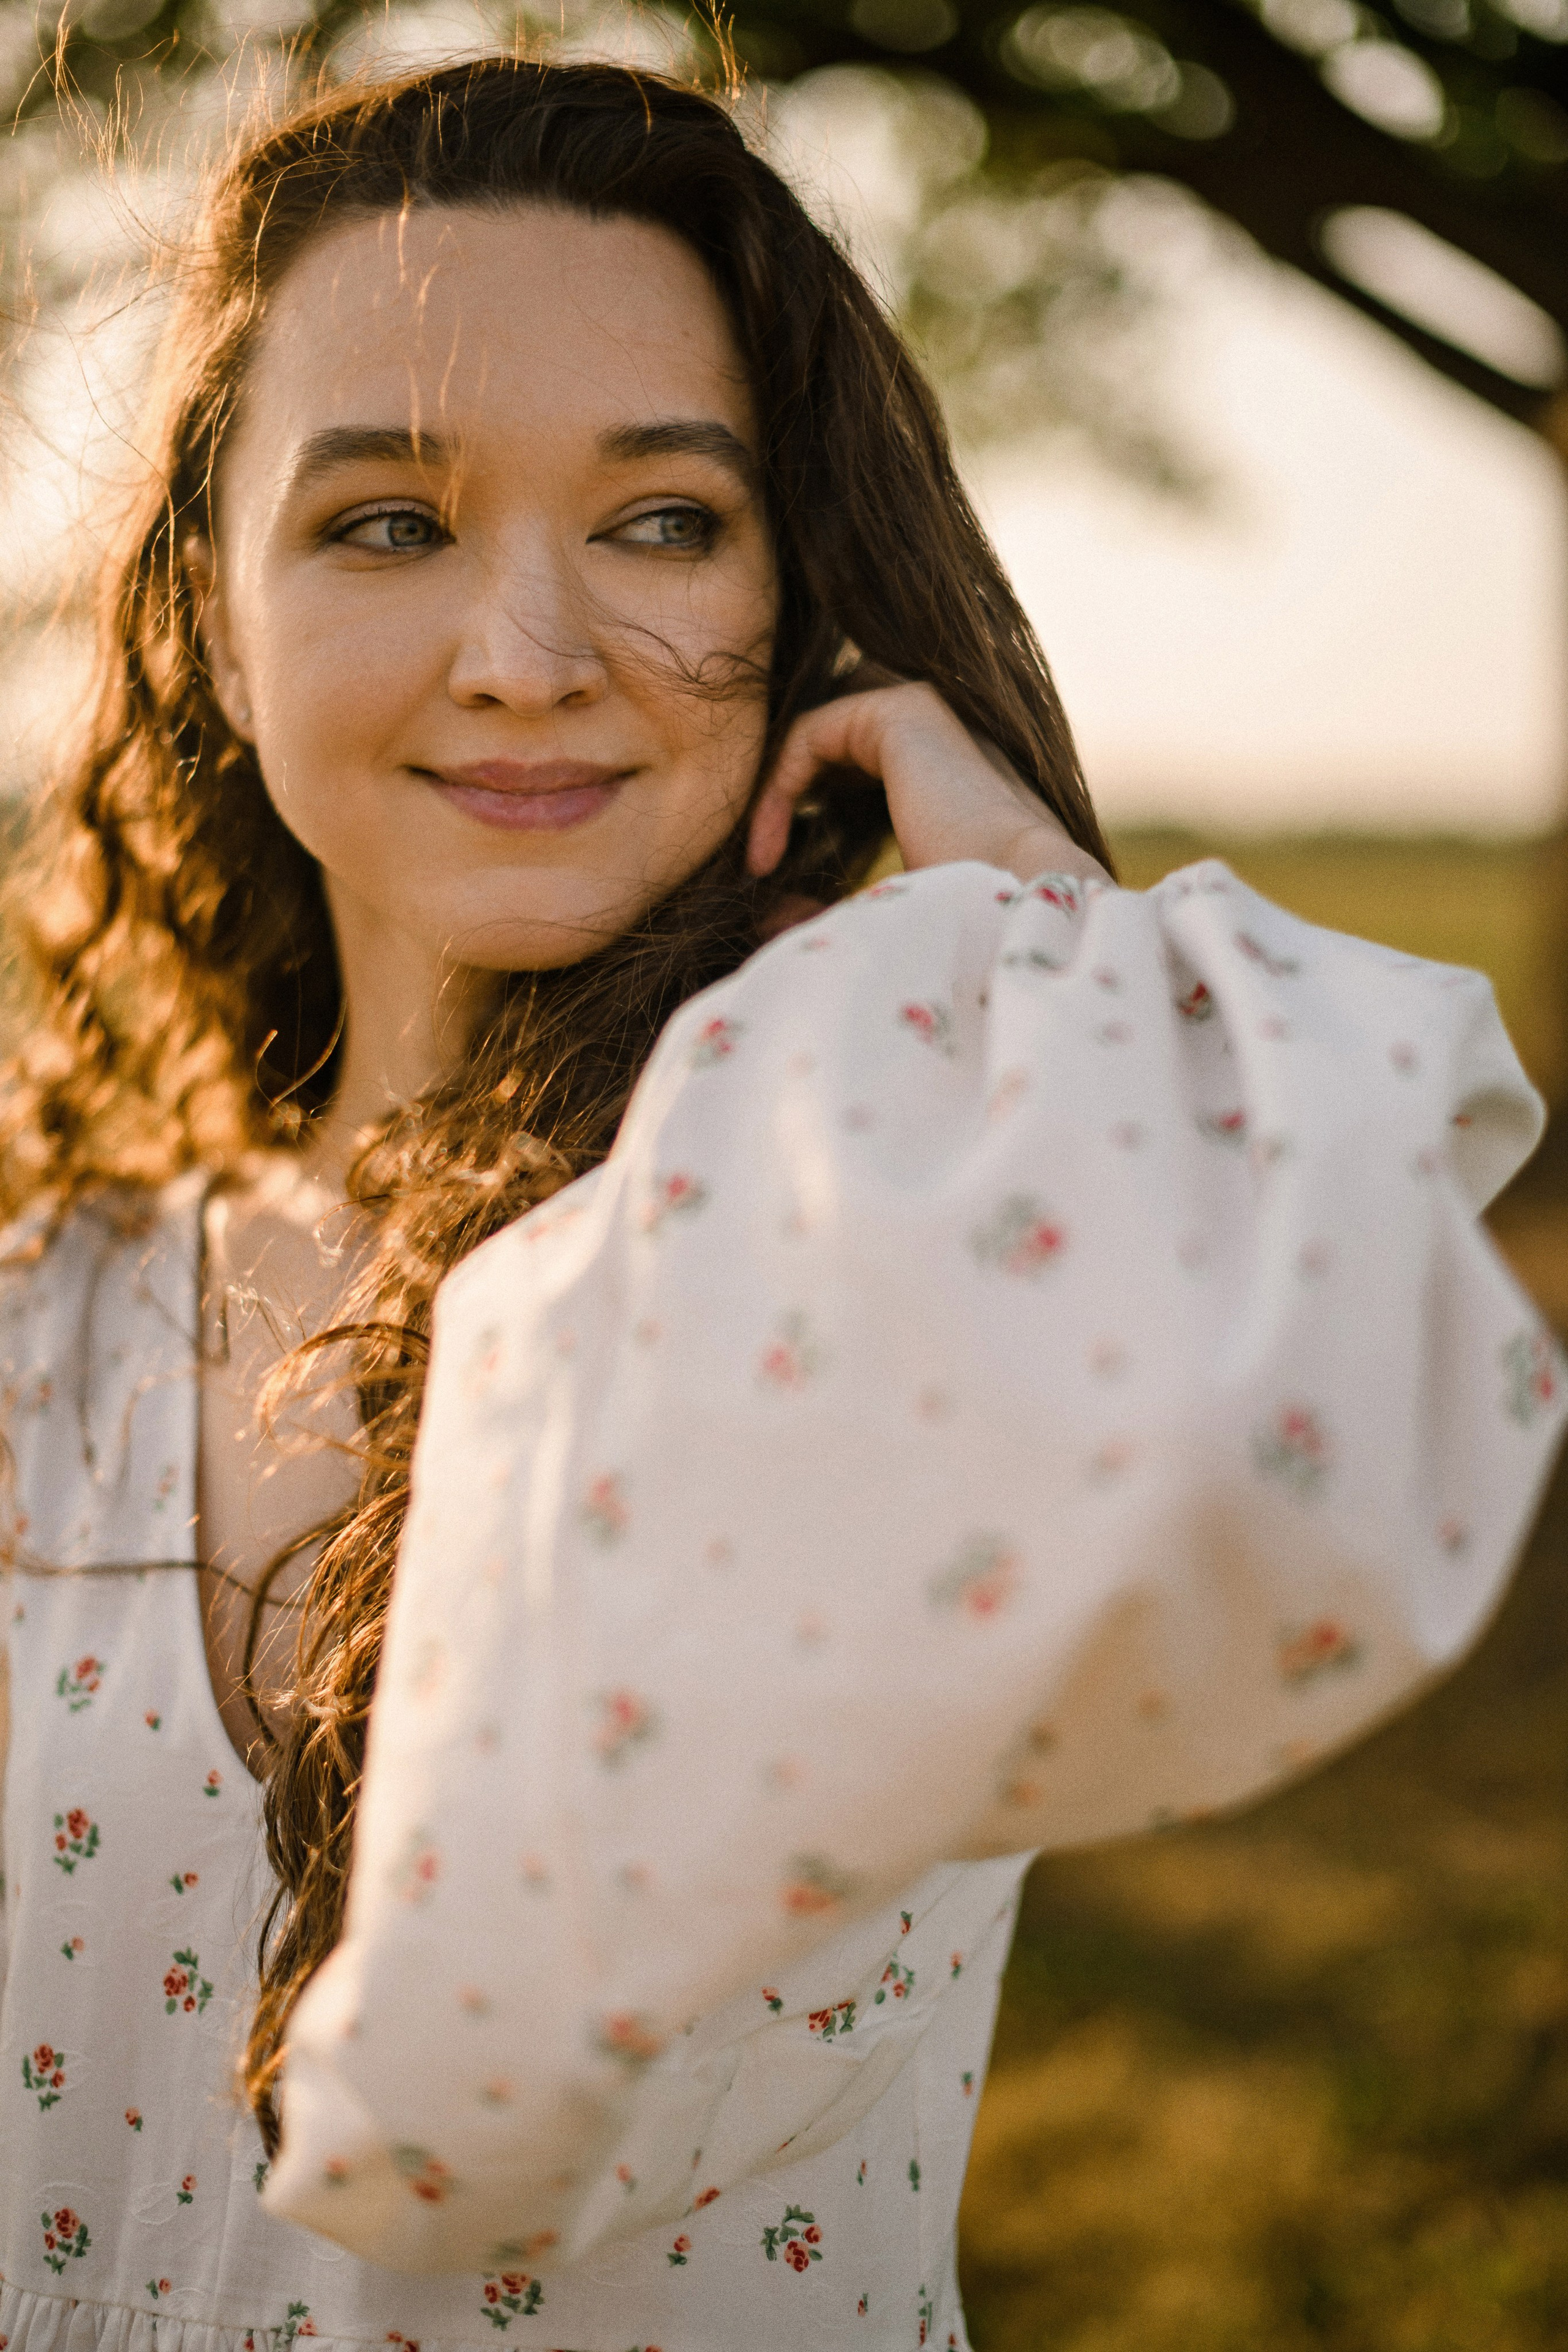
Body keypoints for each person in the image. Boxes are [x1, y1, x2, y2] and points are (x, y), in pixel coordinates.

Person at [0, 51, 1559, 2352]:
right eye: (388, 525)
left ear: (809, 586)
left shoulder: (900, 1242)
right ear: (220, 629)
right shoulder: (49, 1315)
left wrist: (1034, 914)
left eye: (662, 524)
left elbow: (1321, 1415)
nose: (528, 651)